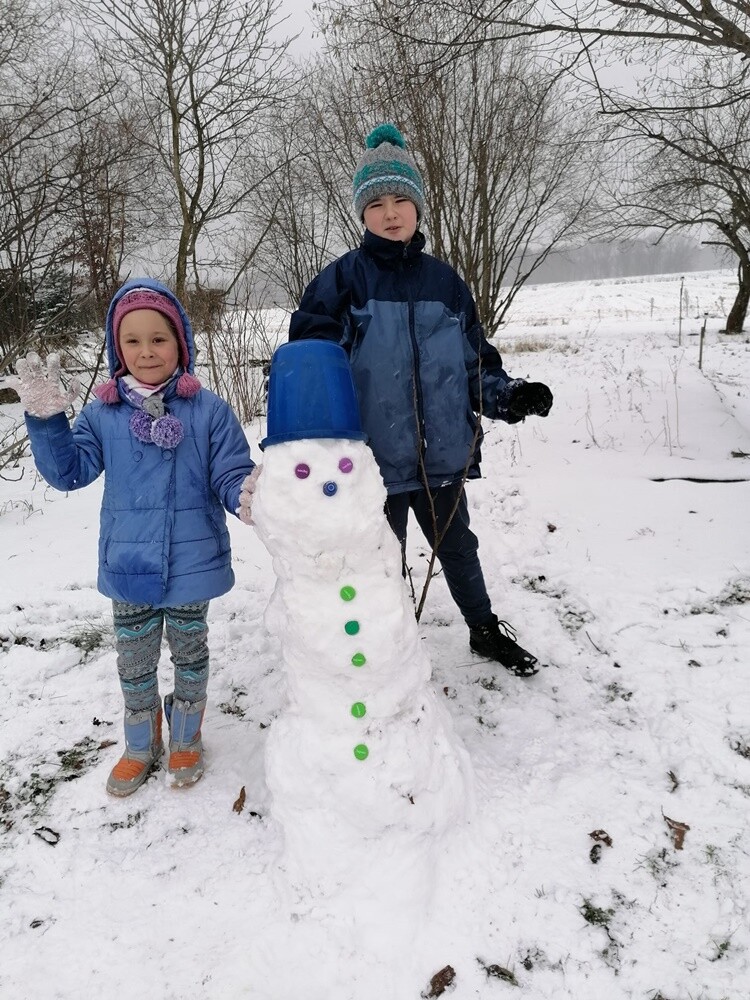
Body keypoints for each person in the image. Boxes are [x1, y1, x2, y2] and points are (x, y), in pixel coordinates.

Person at [288, 123, 553, 677]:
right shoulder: (340, 283)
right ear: (362, 213)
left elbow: (474, 364)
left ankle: (483, 629)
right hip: (373, 463)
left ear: (418, 206)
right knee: (381, 563)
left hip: (441, 459)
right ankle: (388, 651)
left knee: (459, 549)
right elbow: (313, 374)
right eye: (377, 202)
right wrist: (313, 442)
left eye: (401, 199)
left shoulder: (446, 283)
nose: (390, 212)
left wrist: (510, 396)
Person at [14, 279, 256, 796]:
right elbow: (70, 472)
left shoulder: (208, 410)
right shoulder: (103, 413)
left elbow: (232, 473)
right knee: (135, 660)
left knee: (192, 654)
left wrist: (251, 496)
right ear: (116, 348)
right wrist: (47, 419)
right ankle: (141, 744)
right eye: (133, 341)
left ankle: (186, 736)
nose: (146, 352)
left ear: (181, 344)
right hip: (128, 566)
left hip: (192, 565)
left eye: (159, 339)